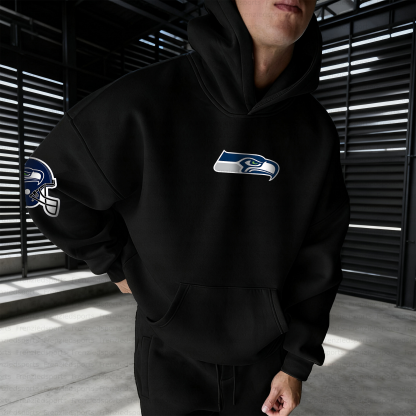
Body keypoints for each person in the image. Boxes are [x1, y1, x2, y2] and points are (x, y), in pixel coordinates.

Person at [24, 0, 350, 414]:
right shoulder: (144, 100)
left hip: (267, 360)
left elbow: (320, 256)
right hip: (169, 356)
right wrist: (116, 264)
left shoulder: (315, 132)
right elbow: (46, 180)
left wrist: (296, 363)